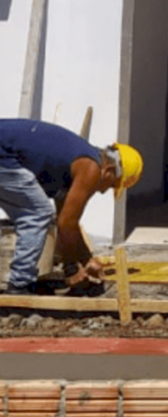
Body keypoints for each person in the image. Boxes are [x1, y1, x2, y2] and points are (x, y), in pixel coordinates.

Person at [0, 119, 143, 295]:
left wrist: (81, 262)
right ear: (109, 170)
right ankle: (19, 285)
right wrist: (76, 269)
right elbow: (67, 224)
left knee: (38, 213)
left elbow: (66, 222)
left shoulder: (73, 164)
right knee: (38, 213)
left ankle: (22, 280)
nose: (104, 191)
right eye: (111, 184)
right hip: (4, 155)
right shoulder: (91, 168)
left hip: (5, 154)